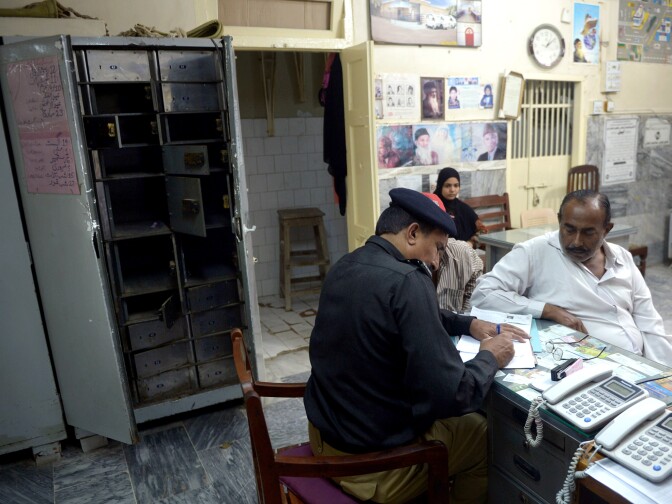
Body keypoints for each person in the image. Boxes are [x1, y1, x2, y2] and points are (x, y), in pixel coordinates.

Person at [304, 188, 527, 503]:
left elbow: (400, 315)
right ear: (412, 234)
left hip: (325, 436)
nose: (437, 261)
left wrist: (468, 323)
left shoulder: (347, 264)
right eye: (436, 247)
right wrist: (489, 357)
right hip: (370, 466)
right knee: (483, 435)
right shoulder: (409, 280)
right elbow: (454, 394)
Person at [471, 190, 672, 365]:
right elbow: (484, 294)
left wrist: (662, 373)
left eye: (588, 233)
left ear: (606, 230)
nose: (576, 241)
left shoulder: (622, 258)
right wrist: (547, 310)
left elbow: (649, 323)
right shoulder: (535, 252)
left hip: (639, 364)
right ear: (559, 221)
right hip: (584, 367)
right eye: (569, 229)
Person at [424, 193, 484, 313]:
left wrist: (466, 316)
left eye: (445, 229)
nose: (435, 262)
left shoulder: (462, 254)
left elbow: (476, 269)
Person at [433, 167, 486, 247]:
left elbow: (482, 230)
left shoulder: (464, 208)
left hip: (464, 253)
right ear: (440, 186)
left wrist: (471, 243)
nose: (452, 190)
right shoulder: (433, 206)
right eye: (448, 186)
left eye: (456, 185)